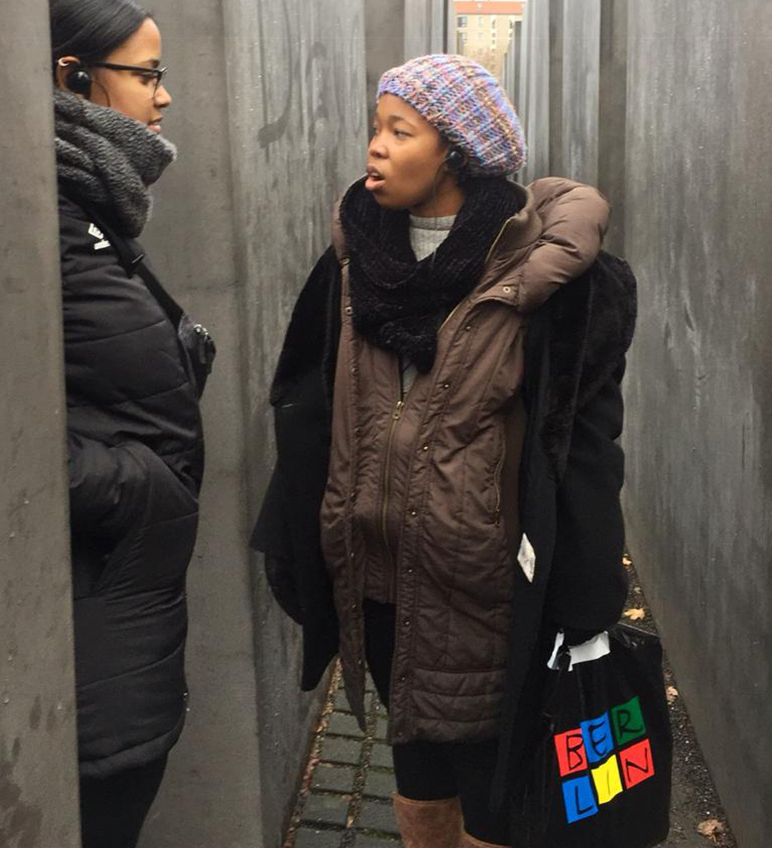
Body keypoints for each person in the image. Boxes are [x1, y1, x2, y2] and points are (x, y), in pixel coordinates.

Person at [252, 54, 636, 848]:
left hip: (493, 596)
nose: (376, 148)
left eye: (402, 130)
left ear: (456, 150)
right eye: (375, 127)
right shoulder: (353, 261)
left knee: (497, 799)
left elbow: (583, 449)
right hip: (381, 582)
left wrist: (586, 604)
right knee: (418, 773)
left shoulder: (547, 282)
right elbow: (308, 403)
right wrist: (295, 542)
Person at [49, 0, 213, 848]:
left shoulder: (86, 209)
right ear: (73, 78)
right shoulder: (38, 214)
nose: (164, 93)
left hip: (117, 626)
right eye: (146, 72)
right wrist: (133, 486)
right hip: (80, 650)